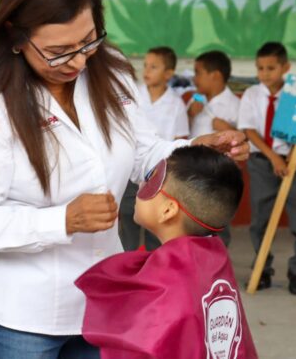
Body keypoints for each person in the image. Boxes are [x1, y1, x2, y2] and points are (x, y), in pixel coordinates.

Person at [0, 0, 248, 359]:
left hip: (101, 300)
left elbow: (142, 151)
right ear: (16, 37)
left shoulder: (111, 70)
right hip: (16, 312)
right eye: (59, 50)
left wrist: (193, 150)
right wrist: (64, 219)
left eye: (88, 41)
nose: (78, 60)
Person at [76, 146, 257, 359]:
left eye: (152, 180)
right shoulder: (214, 264)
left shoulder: (165, 289)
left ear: (168, 210)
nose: (141, 184)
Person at [238, 41, 296, 295]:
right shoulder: (251, 95)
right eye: (260, 68)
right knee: (260, 220)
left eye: (271, 67)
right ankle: (262, 270)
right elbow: (249, 130)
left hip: (291, 165)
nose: (265, 73)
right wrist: (273, 158)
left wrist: (295, 154)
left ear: (286, 67)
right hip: (263, 163)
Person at [118, 46, 189, 251]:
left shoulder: (176, 104)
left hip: (162, 176)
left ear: (168, 73)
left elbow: (181, 139)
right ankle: (126, 270)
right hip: (132, 172)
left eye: (154, 67)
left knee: (157, 230)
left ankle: (153, 272)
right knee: (127, 223)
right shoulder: (131, 95)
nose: (146, 71)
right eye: (146, 66)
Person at [187, 50, 240, 246]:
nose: (194, 78)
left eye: (198, 72)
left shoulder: (234, 104)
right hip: (193, 168)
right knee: (192, 219)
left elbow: (244, 140)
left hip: (220, 172)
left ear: (215, 75)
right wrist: (190, 114)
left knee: (217, 219)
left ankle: (218, 259)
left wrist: (229, 129)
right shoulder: (196, 100)